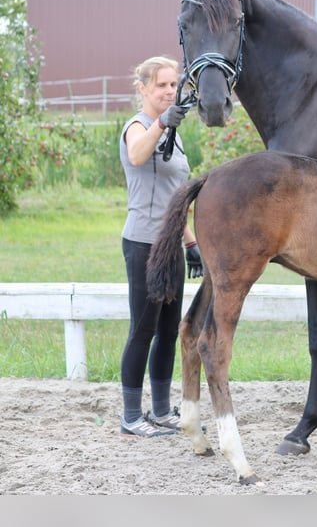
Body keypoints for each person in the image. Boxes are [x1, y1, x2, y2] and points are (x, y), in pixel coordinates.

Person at [118, 55, 203, 437]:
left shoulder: (174, 132)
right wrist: (160, 123)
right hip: (143, 244)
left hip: (170, 244)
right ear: (143, 88)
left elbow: (175, 197)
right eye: (162, 85)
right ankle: (131, 417)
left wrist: (191, 243)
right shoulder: (137, 127)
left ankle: (162, 410)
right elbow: (137, 155)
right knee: (143, 329)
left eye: (173, 85)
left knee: (170, 329)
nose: (170, 91)